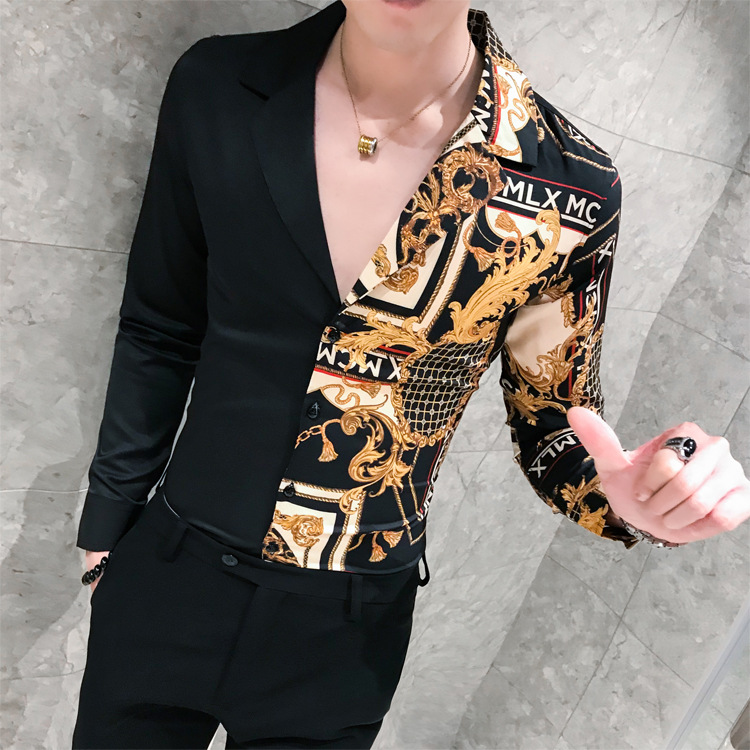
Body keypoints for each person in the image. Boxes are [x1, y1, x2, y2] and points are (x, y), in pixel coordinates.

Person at [71, 0, 750, 747]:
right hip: (169, 576)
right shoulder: (219, 86)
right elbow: (161, 326)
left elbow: (554, 422)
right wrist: (107, 527)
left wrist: (633, 498)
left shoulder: (573, 189)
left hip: (344, 634)